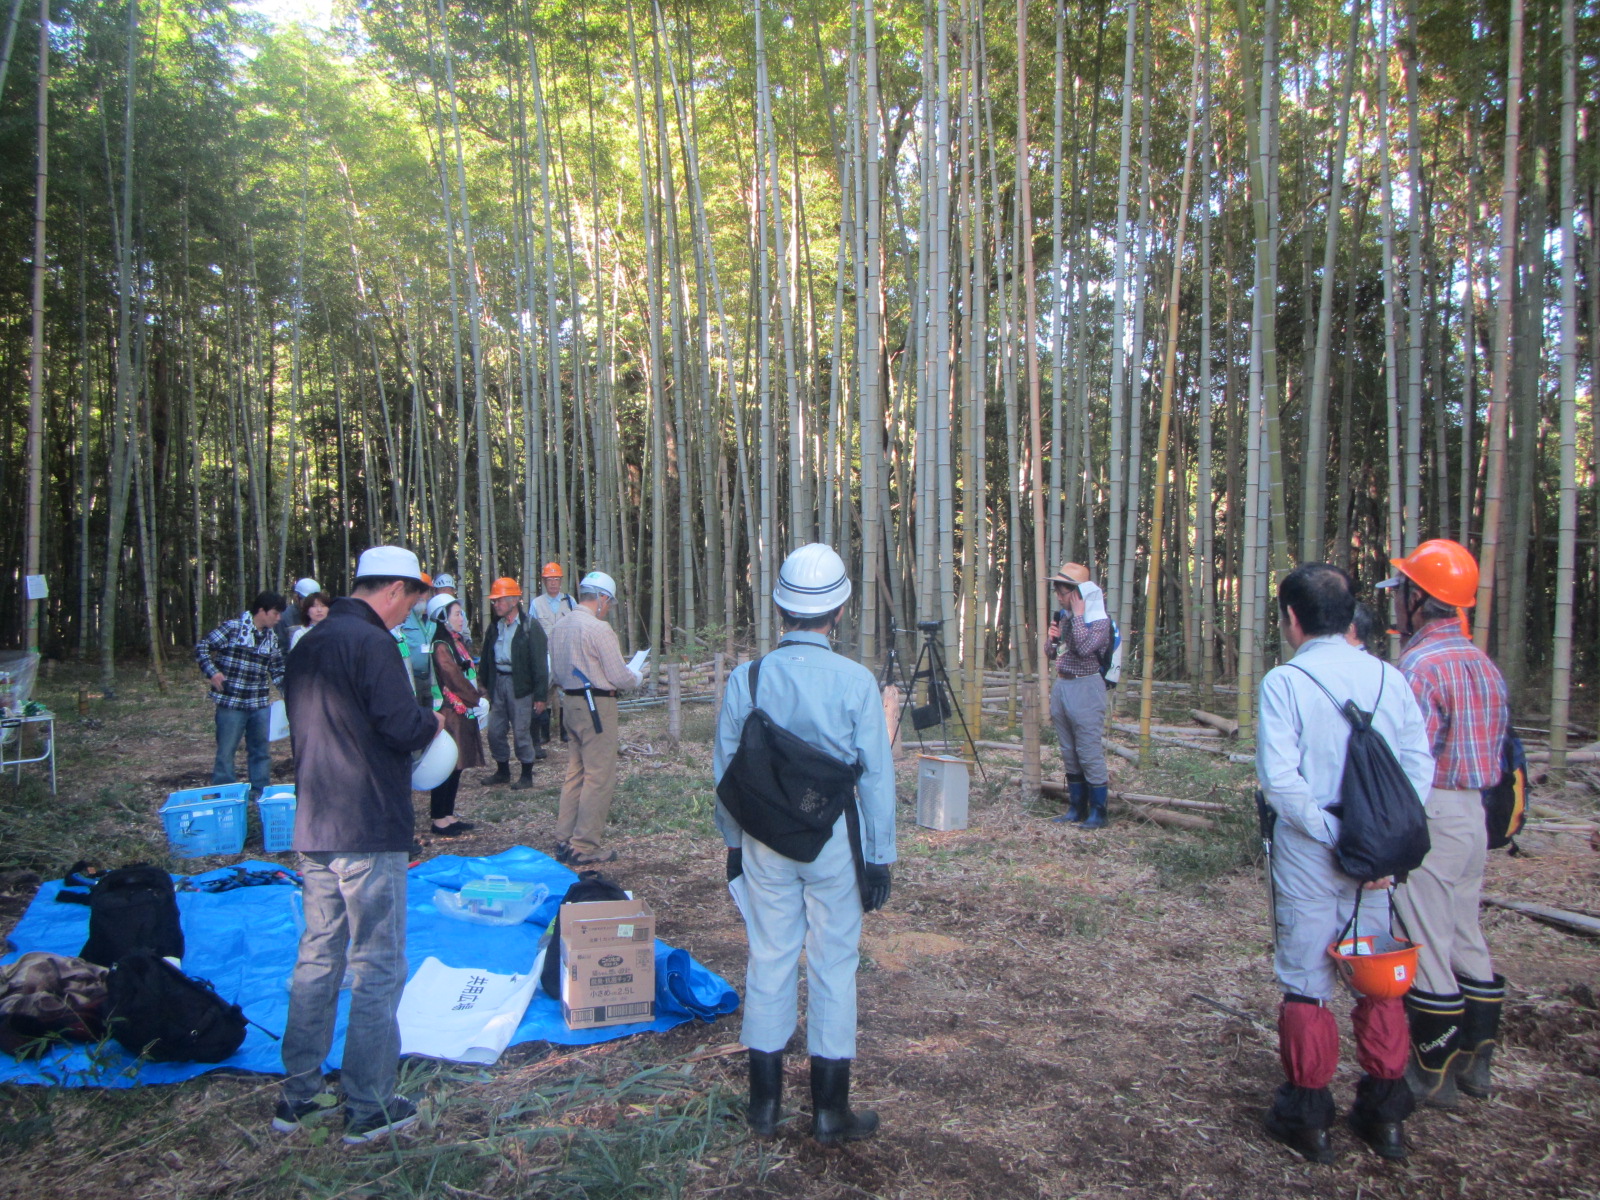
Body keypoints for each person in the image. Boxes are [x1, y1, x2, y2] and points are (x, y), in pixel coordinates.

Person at [713, 544, 896, 1145]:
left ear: (779, 609)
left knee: (769, 956)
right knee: (833, 964)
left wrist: (734, 843)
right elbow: (874, 775)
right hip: (834, 845)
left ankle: (762, 1108)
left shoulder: (751, 676)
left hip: (766, 841)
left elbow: (727, 771)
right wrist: (880, 856)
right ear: (839, 611)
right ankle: (828, 1111)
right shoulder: (856, 681)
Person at [1256, 563, 1434, 1164]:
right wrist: (1380, 838)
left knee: (1306, 981)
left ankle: (1307, 1116)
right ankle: (1384, 1113)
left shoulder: (1285, 682)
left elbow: (1280, 782)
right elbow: (1417, 767)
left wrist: (1335, 832)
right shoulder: (1390, 677)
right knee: (1377, 975)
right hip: (1376, 858)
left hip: (1311, 848)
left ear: (1292, 618)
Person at [277, 547, 443, 1144]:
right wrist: (435, 723)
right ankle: (369, 1103)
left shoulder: (310, 643)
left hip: (315, 823)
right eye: (413, 601)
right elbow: (401, 725)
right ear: (395, 590)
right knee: (377, 964)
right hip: (367, 826)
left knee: (319, 955)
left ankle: (298, 1094)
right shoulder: (373, 644)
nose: (409, 615)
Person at [1378, 539, 1511, 1108]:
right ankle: (1479, 1058)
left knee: (1426, 938)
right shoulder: (1483, 663)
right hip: (1474, 813)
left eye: (1403, 591)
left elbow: (1413, 757)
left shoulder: (1420, 667)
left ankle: (1433, 1071)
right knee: (1464, 931)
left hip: (1433, 810)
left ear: (1418, 597)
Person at [547, 570, 641, 865]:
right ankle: (584, 845)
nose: (608, 609)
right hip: (596, 706)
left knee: (576, 772)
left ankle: (564, 838)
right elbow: (618, 676)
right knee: (599, 776)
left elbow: (554, 673)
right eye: (609, 603)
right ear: (601, 599)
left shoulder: (560, 627)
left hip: (570, 703)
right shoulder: (598, 629)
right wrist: (638, 675)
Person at [195, 591, 288, 799]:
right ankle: (226, 794)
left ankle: (260, 793)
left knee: (261, 752)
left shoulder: (270, 638)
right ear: (262, 611)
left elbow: (278, 671)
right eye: (275, 613)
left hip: (259, 703)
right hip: (232, 702)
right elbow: (203, 647)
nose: (278, 618)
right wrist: (213, 672)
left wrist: (290, 695)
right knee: (226, 751)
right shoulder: (233, 628)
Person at [1044, 562, 1112, 828]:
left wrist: (1080, 615)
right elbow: (1052, 655)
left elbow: (1084, 649)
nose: (1059, 598)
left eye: (1062, 593)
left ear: (1076, 594)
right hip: (1062, 686)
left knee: (1088, 751)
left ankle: (1098, 811)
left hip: (1086, 687)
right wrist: (1051, 639)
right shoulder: (1064, 618)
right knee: (1069, 751)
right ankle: (1076, 806)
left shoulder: (1099, 622)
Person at [478, 577, 548, 792]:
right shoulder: (495, 626)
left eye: (499, 601)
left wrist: (540, 696)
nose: (496, 605)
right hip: (499, 681)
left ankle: (526, 773)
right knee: (495, 731)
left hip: (521, 685)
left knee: (521, 731)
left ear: (513, 601)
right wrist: (484, 683)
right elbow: (487, 656)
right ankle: (502, 770)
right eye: (495, 601)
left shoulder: (530, 627)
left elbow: (539, 664)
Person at [426, 594, 486, 838]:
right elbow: (452, 676)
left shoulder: (456, 642)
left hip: (461, 710)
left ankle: (448, 814)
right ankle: (439, 818)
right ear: (442, 616)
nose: (461, 618)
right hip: (449, 712)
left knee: (456, 764)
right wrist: (474, 697)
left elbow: (467, 671)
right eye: (456, 614)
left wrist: (479, 692)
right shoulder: (442, 645)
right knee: (447, 764)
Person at [529, 563, 577, 760]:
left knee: (568, 690)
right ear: (544, 582)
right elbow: (531, 629)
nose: (554, 584)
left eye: (556, 579)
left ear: (561, 581)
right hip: (545, 652)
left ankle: (566, 730)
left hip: (566, 652)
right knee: (545, 691)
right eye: (550, 580)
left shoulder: (570, 601)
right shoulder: (536, 603)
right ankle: (544, 732)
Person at [399, 574, 435, 706]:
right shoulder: (403, 616)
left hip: (432, 679)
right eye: (417, 591)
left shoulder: (435, 617)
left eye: (424, 591)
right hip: (411, 679)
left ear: (430, 593)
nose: (420, 595)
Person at [278, 577, 321, 653]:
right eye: (306, 600)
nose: (309, 603)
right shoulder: (286, 617)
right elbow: (281, 647)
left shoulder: (321, 616)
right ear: (296, 597)